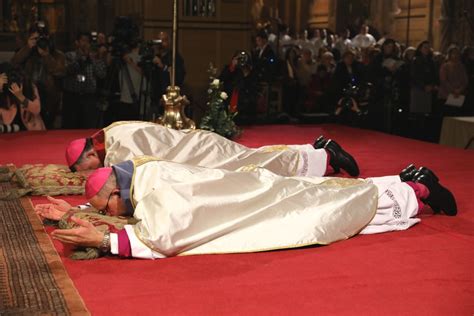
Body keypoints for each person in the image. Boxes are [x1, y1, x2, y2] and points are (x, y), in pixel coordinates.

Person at [41, 157, 456, 259]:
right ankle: (402, 184)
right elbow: (116, 200)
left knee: (321, 212)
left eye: (109, 206)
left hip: (256, 201)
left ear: (119, 190)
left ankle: (416, 190)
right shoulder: (140, 176)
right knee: (319, 194)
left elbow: (163, 236)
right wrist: (76, 210)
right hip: (249, 188)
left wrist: (107, 240)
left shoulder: (156, 194)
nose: (113, 212)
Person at [65, 121, 359, 178]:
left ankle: (327, 156)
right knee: (254, 157)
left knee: (255, 165)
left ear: (91, 154)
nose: (88, 175)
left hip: (201, 154)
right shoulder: (112, 131)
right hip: (197, 145)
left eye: (85, 170)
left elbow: (135, 176)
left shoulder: (117, 153)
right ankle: (314, 148)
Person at [11, 23, 66, 129]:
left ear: (48, 38)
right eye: (36, 38)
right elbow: (13, 64)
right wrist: (27, 48)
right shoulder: (25, 53)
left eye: (42, 38)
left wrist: (46, 55)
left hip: (49, 100)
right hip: (29, 97)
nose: (39, 41)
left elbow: (60, 72)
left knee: (48, 131)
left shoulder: (57, 55)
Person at [62, 32, 107, 129]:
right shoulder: (69, 55)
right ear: (77, 42)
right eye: (83, 41)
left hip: (89, 98)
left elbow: (101, 74)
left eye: (87, 41)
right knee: (70, 127)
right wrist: (80, 58)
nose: (85, 44)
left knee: (88, 127)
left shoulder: (94, 58)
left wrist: (92, 58)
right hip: (72, 97)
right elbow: (67, 70)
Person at [0, 63, 45, 132]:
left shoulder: (29, 86)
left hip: (29, 133)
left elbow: (36, 109)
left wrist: (21, 97)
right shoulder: (3, 92)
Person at [438, 45, 468, 117]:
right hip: (446, 95)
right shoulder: (445, 66)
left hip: (458, 95)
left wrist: (460, 90)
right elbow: (444, 80)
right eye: (453, 53)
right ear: (449, 54)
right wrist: (453, 90)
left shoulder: (461, 66)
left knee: (456, 116)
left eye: (457, 53)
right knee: (447, 117)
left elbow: (465, 80)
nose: (455, 55)